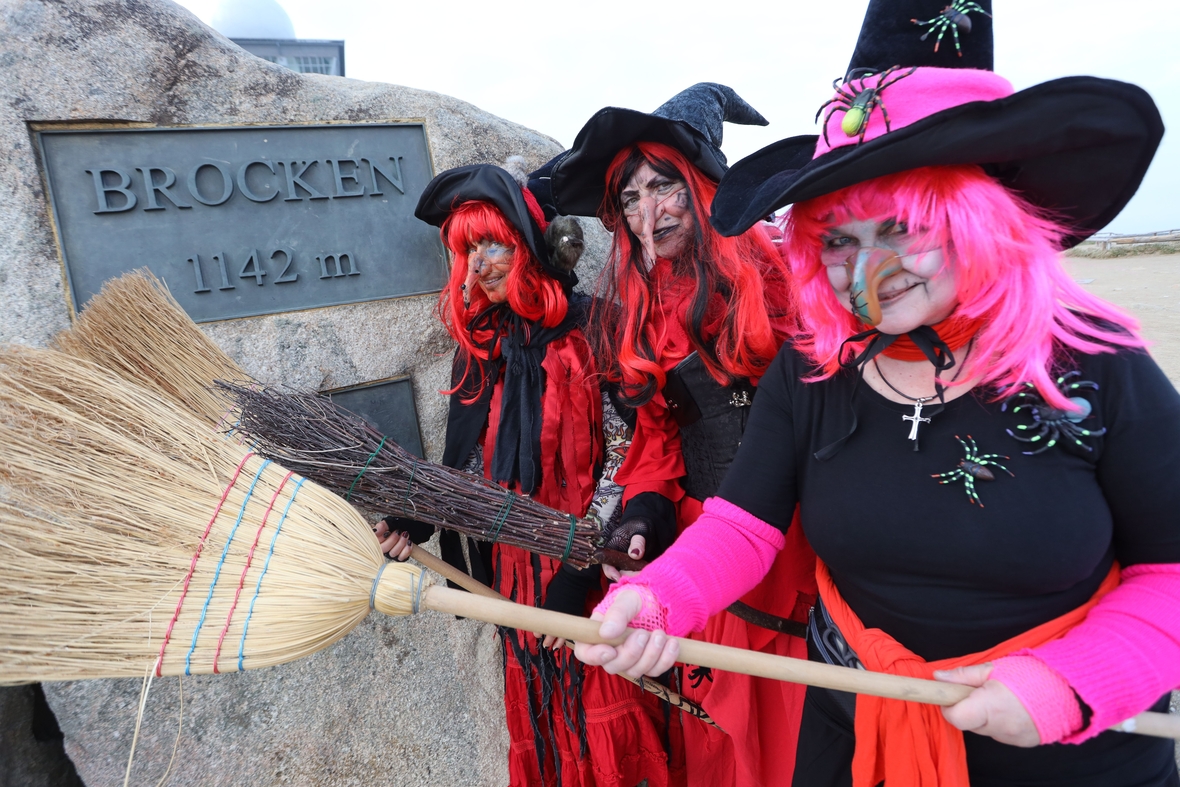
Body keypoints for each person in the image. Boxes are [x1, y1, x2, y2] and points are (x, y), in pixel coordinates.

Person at [576, 2, 1179, 786]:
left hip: (1068, 756)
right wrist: (658, 598)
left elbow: (1170, 572)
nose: (867, 275)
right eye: (838, 240)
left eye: (900, 228)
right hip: (853, 740)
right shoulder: (815, 364)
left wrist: (1069, 681)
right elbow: (744, 524)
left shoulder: (1096, 362)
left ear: (980, 218)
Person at [380, 161, 683, 787]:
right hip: (515, 578)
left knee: (612, 719)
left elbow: (637, 446)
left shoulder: (599, 328)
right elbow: (468, 464)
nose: (477, 266)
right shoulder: (485, 348)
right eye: (465, 251)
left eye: (492, 244)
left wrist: (581, 560)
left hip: (596, 573)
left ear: (535, 246)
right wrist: (418, 518)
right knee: (545, 727)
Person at [550, 84, 819, 786]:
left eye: (662, 185)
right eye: (629, 199)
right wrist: (644, 513)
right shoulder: (644, 307)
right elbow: (657, 443)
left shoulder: (786, 281)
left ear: (701, 187)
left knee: (798, 733)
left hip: (798, 544)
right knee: (722, 744)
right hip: (704, 547)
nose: (646, 213)